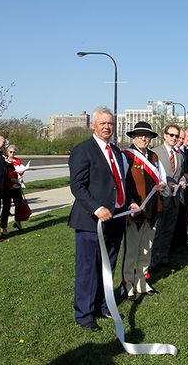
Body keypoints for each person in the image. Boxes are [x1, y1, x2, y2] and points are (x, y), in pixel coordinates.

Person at [68, 106, 129, 332]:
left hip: (115, 220)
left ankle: (103, 306)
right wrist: (97, 208)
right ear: (93, 125)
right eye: (102, 123)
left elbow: (119, 183)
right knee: (88, 268)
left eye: (110, 123)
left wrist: (128, 201)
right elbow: (77, 186)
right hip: (91, 223)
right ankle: (84, 314)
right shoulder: (83, 150)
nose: (107, 127)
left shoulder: (116, 151)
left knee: (108, 266)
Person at [121, 121, 165, 300]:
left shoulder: (154, 157)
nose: (143, 138)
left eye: (146, 135)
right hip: (135, 211)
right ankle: (127, 284)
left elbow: (161, 179)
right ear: (133, 137)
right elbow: (122, 184)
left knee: (147, 249)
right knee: (131, 250)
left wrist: (164, 186)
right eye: (139, 135)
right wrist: (130, 203)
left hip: (153, 209)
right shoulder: (126, 156)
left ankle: (142, 282)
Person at [150, 124, 186, 269]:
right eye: (171, 135)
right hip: (160, 197)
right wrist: (164, 184)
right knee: (157, 230)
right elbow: (153, 176)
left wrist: (183, 181)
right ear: (164, 135)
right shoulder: (154, 153)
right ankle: (152, 261)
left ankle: (164, 258)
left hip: (175, 197)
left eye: (176, 136)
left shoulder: (179, 155)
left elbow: (180, 174)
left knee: (169, 229)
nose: (174, 138)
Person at [0, 145, 25, 236]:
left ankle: (18, 222)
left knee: (19, 204)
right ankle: (3, 227)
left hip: (16, 186)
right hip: (8, 186)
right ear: (7, 152)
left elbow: (20, 171)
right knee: (6, 207)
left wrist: (20, 178)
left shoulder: (17, 161)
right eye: (10, 152)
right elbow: (4, 173)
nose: (12, 153)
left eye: (14, 152)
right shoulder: (4, 160)